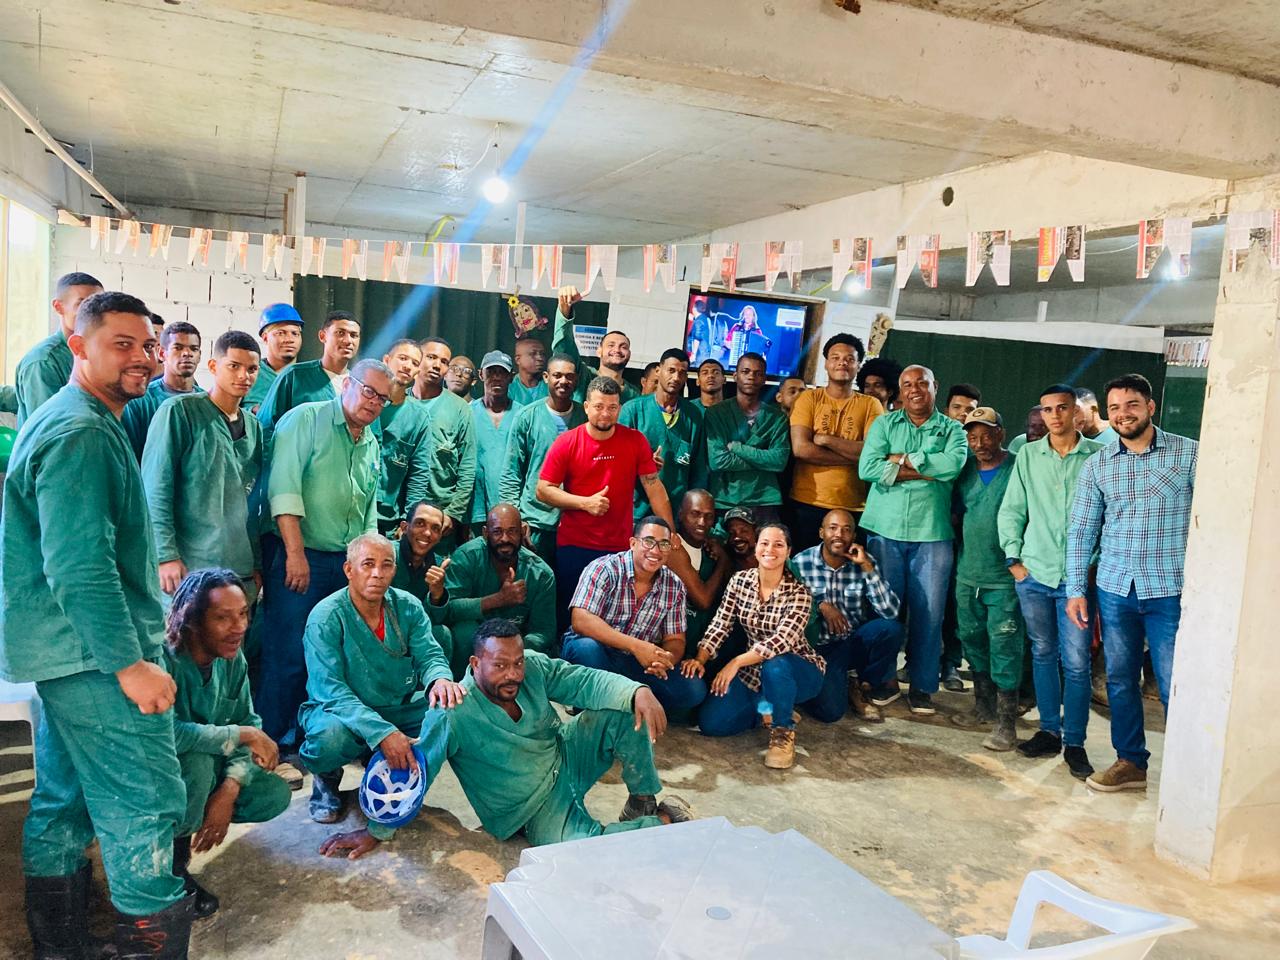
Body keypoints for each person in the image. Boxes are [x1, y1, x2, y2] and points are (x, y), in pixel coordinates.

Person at [2, 291, 195, 955]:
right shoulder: (80, 432)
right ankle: (147, 936)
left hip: (64, 654)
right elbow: (80, 569)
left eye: (147, 345)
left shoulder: (81, 417)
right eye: (122, 344)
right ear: (78, 345)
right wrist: (130, 665)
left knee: (66, 798)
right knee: (143, 801)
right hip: (93, 660)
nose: (142, 357)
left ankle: (60, 946)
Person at [318, 619, 692, 859]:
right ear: (475, 664)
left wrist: (637, 691)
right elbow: (419, 769)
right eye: (499, 665)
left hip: (566, 755)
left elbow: (583, 681)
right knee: (581, 855)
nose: (512, 674)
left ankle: (642, 802)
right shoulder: (451, 711)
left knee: (624, 710)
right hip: (533, 807)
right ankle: (662, 822)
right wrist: (377, 830)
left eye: (517, 663)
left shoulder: (533, 666)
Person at [1066, 374, 1197, 793]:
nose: (1123, 414)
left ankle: (1187, 776)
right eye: (1115, 407)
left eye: (1132, 405)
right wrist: (1075, 589)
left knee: (1176, 683)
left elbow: (1212, 521)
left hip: (1171, 590)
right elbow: (1081, 531)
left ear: (1150, 407)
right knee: (1120, 680)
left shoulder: (1189, 454)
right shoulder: (1099, 464)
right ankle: (1130, 762)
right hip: (1116, 588)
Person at [258, 358, 388, 749]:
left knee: (330, 658)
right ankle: (270, 743)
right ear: (347, 384)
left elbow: (368, 509)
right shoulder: (305, 420)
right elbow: (283, 489)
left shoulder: (370, 441)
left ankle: (311, 741)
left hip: (344, 565)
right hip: (301, 556)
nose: (373, 402)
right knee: (288, 653)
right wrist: (294, 553)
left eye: (382, 398)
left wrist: (367, 565)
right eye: (368, 391)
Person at [299, 533, 466, 827]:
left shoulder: (408, 606)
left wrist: (439, 679)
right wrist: (384, 733)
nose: (377, 573)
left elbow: (429, 655)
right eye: (368, 564)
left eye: (386, 565)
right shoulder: (325, 617)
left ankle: (389, 767)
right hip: (340, 711)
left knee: (453, 711)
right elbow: (331, 691)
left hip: (396, 706)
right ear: (349, 570)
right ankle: (327, 778)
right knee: (329, 738)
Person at [164, 569, 291, 920]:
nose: (239, 627)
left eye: (243, 614)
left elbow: (249, 719)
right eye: (223, 618)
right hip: (164, 772)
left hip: (208, 765)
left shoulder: (233, 657)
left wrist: (230, 789)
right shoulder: (165, 659)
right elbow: (170, 734)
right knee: (198, 763)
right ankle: (172, 867)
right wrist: (242, 735)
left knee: (272, 793)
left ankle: (202, 811)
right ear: (193, 621)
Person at [998, 385, 1104, 778]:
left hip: (1078, 579)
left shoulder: (1098, 456)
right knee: (1042, 652)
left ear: (1076, 412)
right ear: (1041, 414)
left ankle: (1074, 741)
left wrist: (1093, 564)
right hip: (1034, 572)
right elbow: (1012, 509)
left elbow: (1109, 514)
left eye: (1062, 408)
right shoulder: (1028, 455)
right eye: (1047, 410)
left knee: (1076, 662)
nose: (1055, 416)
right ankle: (1049, 731)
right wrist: (1014, 560)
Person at [858, 364, 968, 715]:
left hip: (932, 533)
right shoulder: (885, 424)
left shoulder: (953, 429)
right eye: (907, 384)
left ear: (935, 386)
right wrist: (926, 471)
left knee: (929, 614)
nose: (914, 389)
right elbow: (867, 468)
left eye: (922, 383)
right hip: (884, 530)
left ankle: (922, 686)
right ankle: (883, 680)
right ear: (900, 390)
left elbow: (953, 466)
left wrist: (902, 460)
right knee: (884, 611)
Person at [682, 523, 823, 769]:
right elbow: (721, 623)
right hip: (753, 673)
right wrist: (700, 659)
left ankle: (782, 733)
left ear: (788, 551)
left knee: (775, 665)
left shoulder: (799, 593)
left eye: (778, 545)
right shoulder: (740, 581)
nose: (770, 550)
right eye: (765, 543)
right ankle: (767, 709)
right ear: (756, 548)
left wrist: (736, 662)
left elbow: (780, 642)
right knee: (712, 723)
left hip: (798, 670)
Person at [537, 375, 675, 625]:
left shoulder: (635, 440)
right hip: (575, 544)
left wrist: (670, 532)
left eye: (612, 407)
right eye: (599, 406)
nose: (605, 414)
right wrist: (584, 503)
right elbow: (543, 490)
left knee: (613, 618)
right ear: (586, 406)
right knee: (572, 617)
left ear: (619, 409)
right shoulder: (567, 442)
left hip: (620, 548)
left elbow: (653, 486)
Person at [141, 330, 264, 604]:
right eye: (234, 366)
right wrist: (165, 555)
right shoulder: (179, 412)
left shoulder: (254, 427)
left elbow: (254, 501)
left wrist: (255, 562)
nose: (243, 376)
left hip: (239, 568)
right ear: (213, 366)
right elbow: (156, 488)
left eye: (252, 369)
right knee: (186, 629)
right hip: (189, 566)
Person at [561, 517, 707, 715]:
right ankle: (600, 708)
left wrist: (664, 659)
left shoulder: (674, 586)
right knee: (587, 649)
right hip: (599, 651)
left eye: (664, 544)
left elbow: (675, 639)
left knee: (693, 689)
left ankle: (622, 702)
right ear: (633, 543)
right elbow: (581, 620)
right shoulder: (604, 568)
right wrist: (636, 646)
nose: (655, 551)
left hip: (638, 663)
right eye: (649, 541)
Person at [949, 408, 1025, 751]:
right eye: (972, 437)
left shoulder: (1017, 468)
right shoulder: (965, 471)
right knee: (972, 638)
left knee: (1005, 644)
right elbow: (956, 514)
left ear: (1001, 435)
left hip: (1003, 578)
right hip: (969, 573)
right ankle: (982, 707)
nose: (979, 443)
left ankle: (1006, 725)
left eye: (986, 435)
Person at [791, 509, 902, 724]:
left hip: (850, 642)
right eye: (832, 528)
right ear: (821, 532)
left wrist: (867, 567)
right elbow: (787, 604)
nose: (839, 535)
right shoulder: (801, 562)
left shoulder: (864, 562)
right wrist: (820, 605)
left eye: (846, 529)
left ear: (853, 536)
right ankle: (817, 688)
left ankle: (857, 683)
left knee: (890, 630)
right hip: (818, 648)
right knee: (831, 713)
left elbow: (890, 612)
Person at [430, 503, 557, 678]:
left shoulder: (540, 573)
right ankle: (462, 687)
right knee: (463, 631)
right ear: (485, 533)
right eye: (497, 532)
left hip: (517, 643)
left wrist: (512, 650)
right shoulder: (467, 556)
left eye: (512, 531)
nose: (505, 539)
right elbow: (449, 609)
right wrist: (499, 599)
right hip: (473, 638)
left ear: (523, 532)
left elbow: (544, 631)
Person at [789, 334, 884, 552]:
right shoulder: (808, 399)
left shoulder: (871, 404)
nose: (842, 363)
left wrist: (826, 440)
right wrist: (856, 457)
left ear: (858, 365)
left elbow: (873, 453)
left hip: (854, 505)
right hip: (807, 501)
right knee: (804, 567)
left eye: (849, 359)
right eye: (836, 357)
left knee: (849, 568)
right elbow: (801, 449)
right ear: (826, 363)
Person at [500, 352, 586, 567]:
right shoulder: (528, 417)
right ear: (546, 377)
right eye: (557, 375)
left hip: (576, 521)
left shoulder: (585, 418)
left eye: (569, 376)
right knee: (534, 581)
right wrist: (517, 520)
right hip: (535, 521)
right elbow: (511, 473)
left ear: (576, 380)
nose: (563, 381)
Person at [619, 347, 706, 520]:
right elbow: (616, 460)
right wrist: (642, 464)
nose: (676, 377)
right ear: (659, 371)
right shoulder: (633, 410)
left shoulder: (693, 415)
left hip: (675, 512)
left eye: (682, 373)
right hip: (636, 510)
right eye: (671, 370)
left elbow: (699, 468)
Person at [704, 351, 790, 522]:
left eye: (758, 373)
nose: (751, 377)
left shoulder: (776, 418)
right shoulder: (716, 413)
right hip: (726, 499)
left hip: (764, 499)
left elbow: (779, 461)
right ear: (735, 376)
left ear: (764, 379)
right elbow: (718, 460)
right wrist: (763, 461)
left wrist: (738, 448)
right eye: (746, 372)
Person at [412, 336, 477, 552]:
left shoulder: (460, 409)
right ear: (418, 359)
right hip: (399, 515)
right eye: (431, 357)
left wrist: (453, 514)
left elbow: (467, 467)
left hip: (440, 515)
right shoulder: (399, 402)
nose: (436, 365)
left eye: (443, 361)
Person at [14, 271, 102, 427]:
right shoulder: (43, 361)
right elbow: (49, 427)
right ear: (59, 307)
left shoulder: (97, 354)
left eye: (99, 305)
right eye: (83, 305)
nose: (93, 314)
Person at [256, 310, 361, 441]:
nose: (348, 340)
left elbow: (373, 436)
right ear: (322, 336)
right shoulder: (294, 377)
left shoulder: (361, 386)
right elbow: (265, 429)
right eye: (340, 333)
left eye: (354, 335)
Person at [372, 338, 433, 534]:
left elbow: (419, 473)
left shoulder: (418, 417)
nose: (407, 366)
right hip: (352, 509)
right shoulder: (364, 401)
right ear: (386, 360)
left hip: (388, 519)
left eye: (415, 363)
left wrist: (410, 518)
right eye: (403, 358)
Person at [122, 320, 204, 459]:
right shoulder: (141, 400)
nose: (187, 353)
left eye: (193, 349)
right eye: (178, 348)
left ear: (199, 355)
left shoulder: (207, 401)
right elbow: (129, 454)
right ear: (161, 353)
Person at [664, 489, 732, 653]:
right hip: (667, 646)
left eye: (709, 516)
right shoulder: (673, 547)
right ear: (681, 514)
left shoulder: (710, 549)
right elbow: (703, 601)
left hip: (700, 647)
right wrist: (723, 560)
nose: (702, 522)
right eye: (695, 514)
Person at [389, 499, 454, 654]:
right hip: (381, 632)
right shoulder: (386, 555)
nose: (427, 533)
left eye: (435, 528)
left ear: (440, 536)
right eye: (420, 524)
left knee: (442, 634)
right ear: (404, 527)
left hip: (414, 634)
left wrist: (437, 595)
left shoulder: (439, 565)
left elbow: (435, 620)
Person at [555, 285, 639, 403]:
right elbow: (564, 350)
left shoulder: (633, 394)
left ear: (629, 354)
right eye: (611, 345)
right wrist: (565, 310)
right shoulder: (584, 375)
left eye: (623, 347)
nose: (617, 350)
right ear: (599, 351)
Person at [469, 350, 524, 525]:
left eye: (502, 373)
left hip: (513, 505)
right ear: (481, 374)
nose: (497, 377)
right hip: (474, 506)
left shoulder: (523, 415)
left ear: (512, 377)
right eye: (491, 372)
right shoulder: (467, 413)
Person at [244, 303, 303, 414]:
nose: (290, 339)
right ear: (265, 338)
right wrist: (253, 411)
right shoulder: (249, 373)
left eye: (295, 333)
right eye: (281, 333)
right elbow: (227, 412)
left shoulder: (307, 376)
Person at [688, 298, 729, 367]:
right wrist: (723, 349)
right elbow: (726, 338)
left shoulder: (706, 320)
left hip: (706, 353)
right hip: (717, 353)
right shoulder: (724, 321)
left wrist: (694, 354)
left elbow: (699, 335)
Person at [510, 334, 549, 406]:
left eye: (542, 354)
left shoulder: (551, 385)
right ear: (518, 360)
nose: (540, 358)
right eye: (533, 354)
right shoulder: (509, 388)